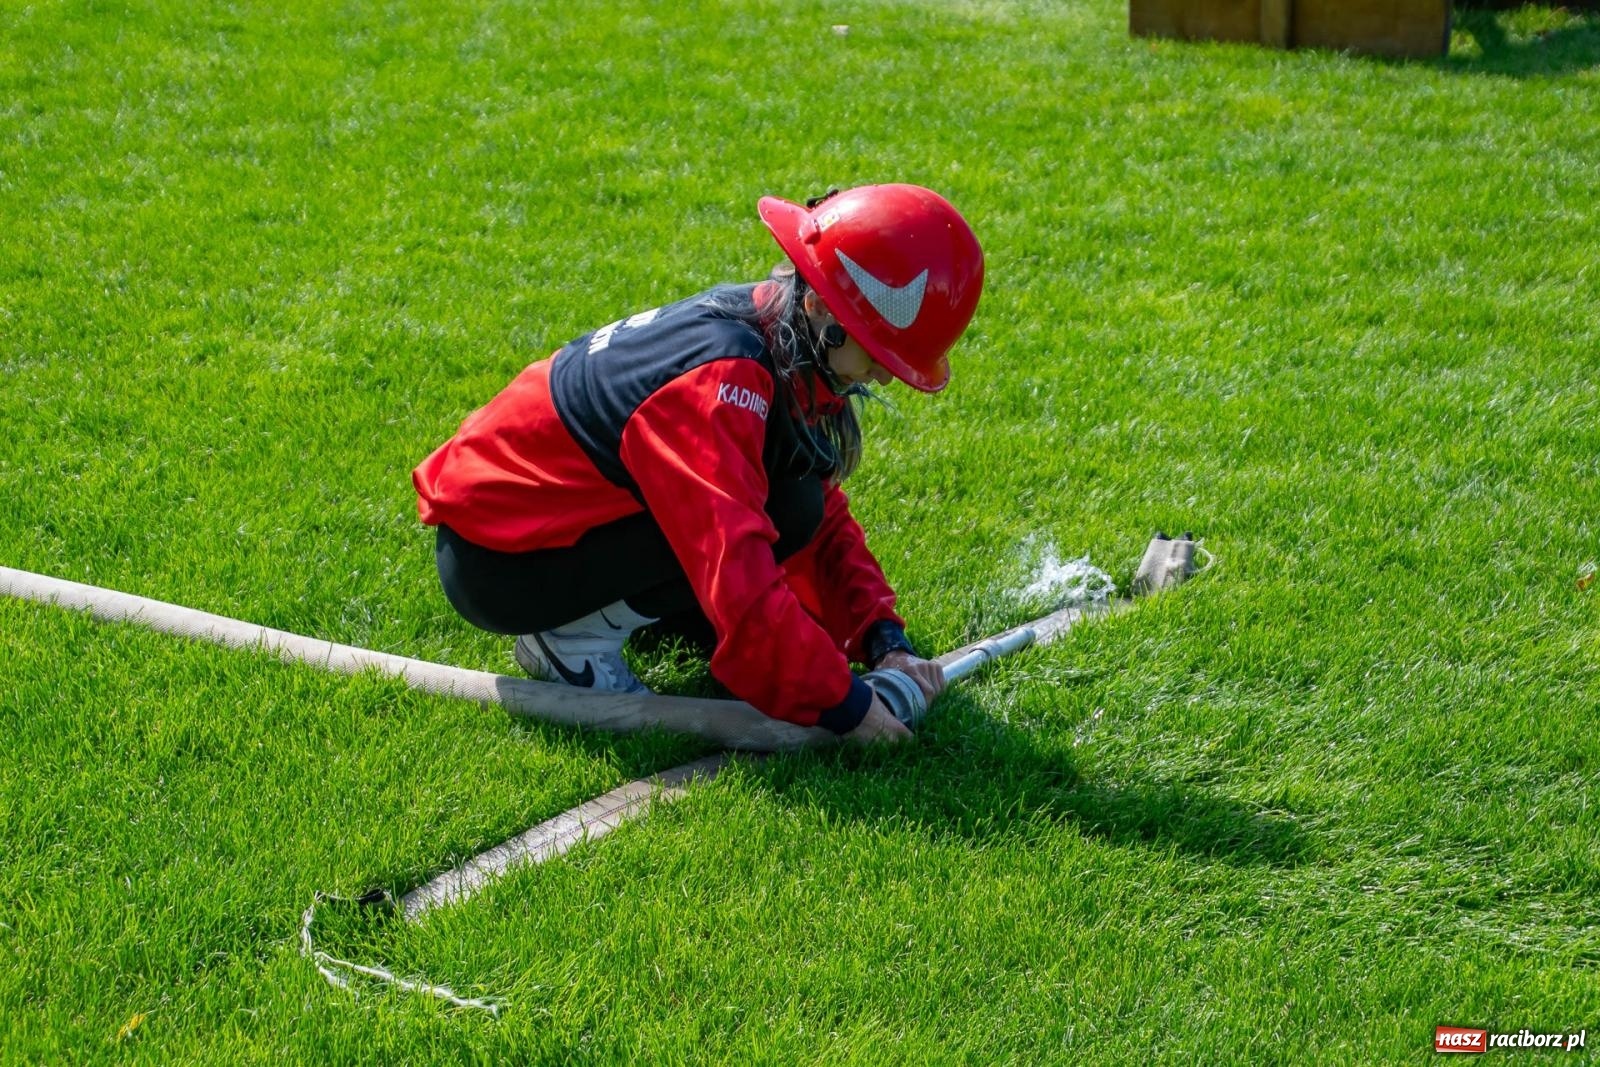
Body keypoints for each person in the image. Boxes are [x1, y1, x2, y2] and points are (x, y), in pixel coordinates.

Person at [412, 183, 984, 744]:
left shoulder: (782, 332)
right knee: (773, 518)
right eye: (877, 351)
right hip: (498, 564)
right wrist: (847, 708)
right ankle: (568, 641)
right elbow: (734, 568)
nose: (885, 375)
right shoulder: (723, 380)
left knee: (797, 503)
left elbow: (820, 512)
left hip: (545, 531)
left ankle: (627, 615)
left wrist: (884, 637)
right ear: (819, 306)